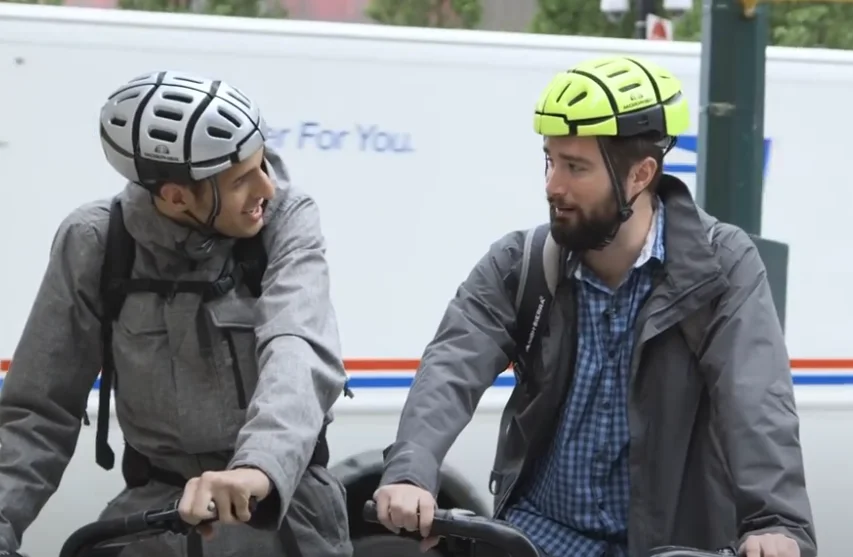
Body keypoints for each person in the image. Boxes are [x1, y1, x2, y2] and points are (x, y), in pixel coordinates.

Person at [372, 56, 817, 557]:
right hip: (541, 539)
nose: (552, 185)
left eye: (575, 167)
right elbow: (452, 365)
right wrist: (412, 468)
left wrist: (775, 521)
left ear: (640, 175)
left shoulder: (723, 267)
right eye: (549, 160)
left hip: (666, 547)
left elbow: (754, 399)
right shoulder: (522, 263)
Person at [0, 71, 353, 557]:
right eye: (241, 179)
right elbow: (39, 409)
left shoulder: (286, 219)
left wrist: (258, 467)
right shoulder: (95, 242)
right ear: (175, 195)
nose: (267, 187)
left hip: (285, 516)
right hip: (152, 522)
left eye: (264, 163)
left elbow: (297, 345)